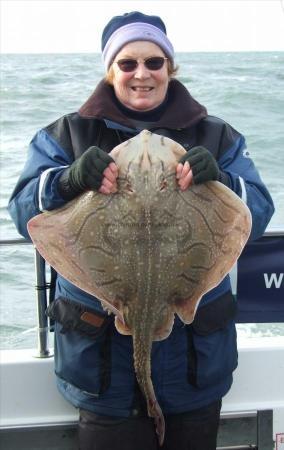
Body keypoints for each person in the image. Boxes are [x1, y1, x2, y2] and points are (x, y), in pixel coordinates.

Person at [8, 11, 274, 450]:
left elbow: (257, 212)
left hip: (194, 367)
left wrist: (223, 184)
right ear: (109, 70)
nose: (141, 73)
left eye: (154, 62)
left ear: (170, 67)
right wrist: (68, 180)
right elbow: (22, 212)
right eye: (127, 63)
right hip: (101, 369)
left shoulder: (217, 136)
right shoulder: (67, 134)